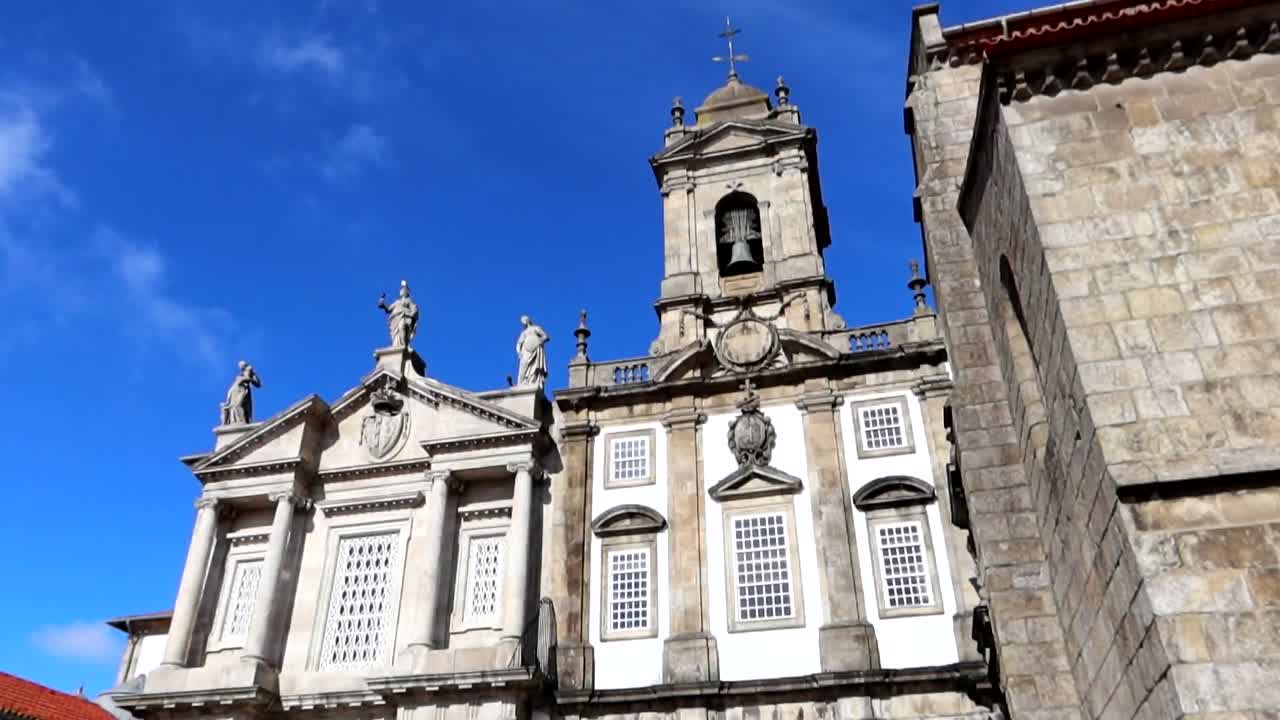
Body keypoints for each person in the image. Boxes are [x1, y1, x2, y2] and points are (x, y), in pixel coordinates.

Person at [515, 315, 549, 388]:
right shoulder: (523, 333)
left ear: (528, 320)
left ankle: (533, 381)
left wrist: (539, 341)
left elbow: (546, 336)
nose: (523, 322)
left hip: (535, 349)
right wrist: (519, 352)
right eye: (522, 321)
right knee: (524, 365)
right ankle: (523, 382)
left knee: (534, 366)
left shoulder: (535, 328)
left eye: (524, 320)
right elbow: (518, 344)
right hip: (525, 351)